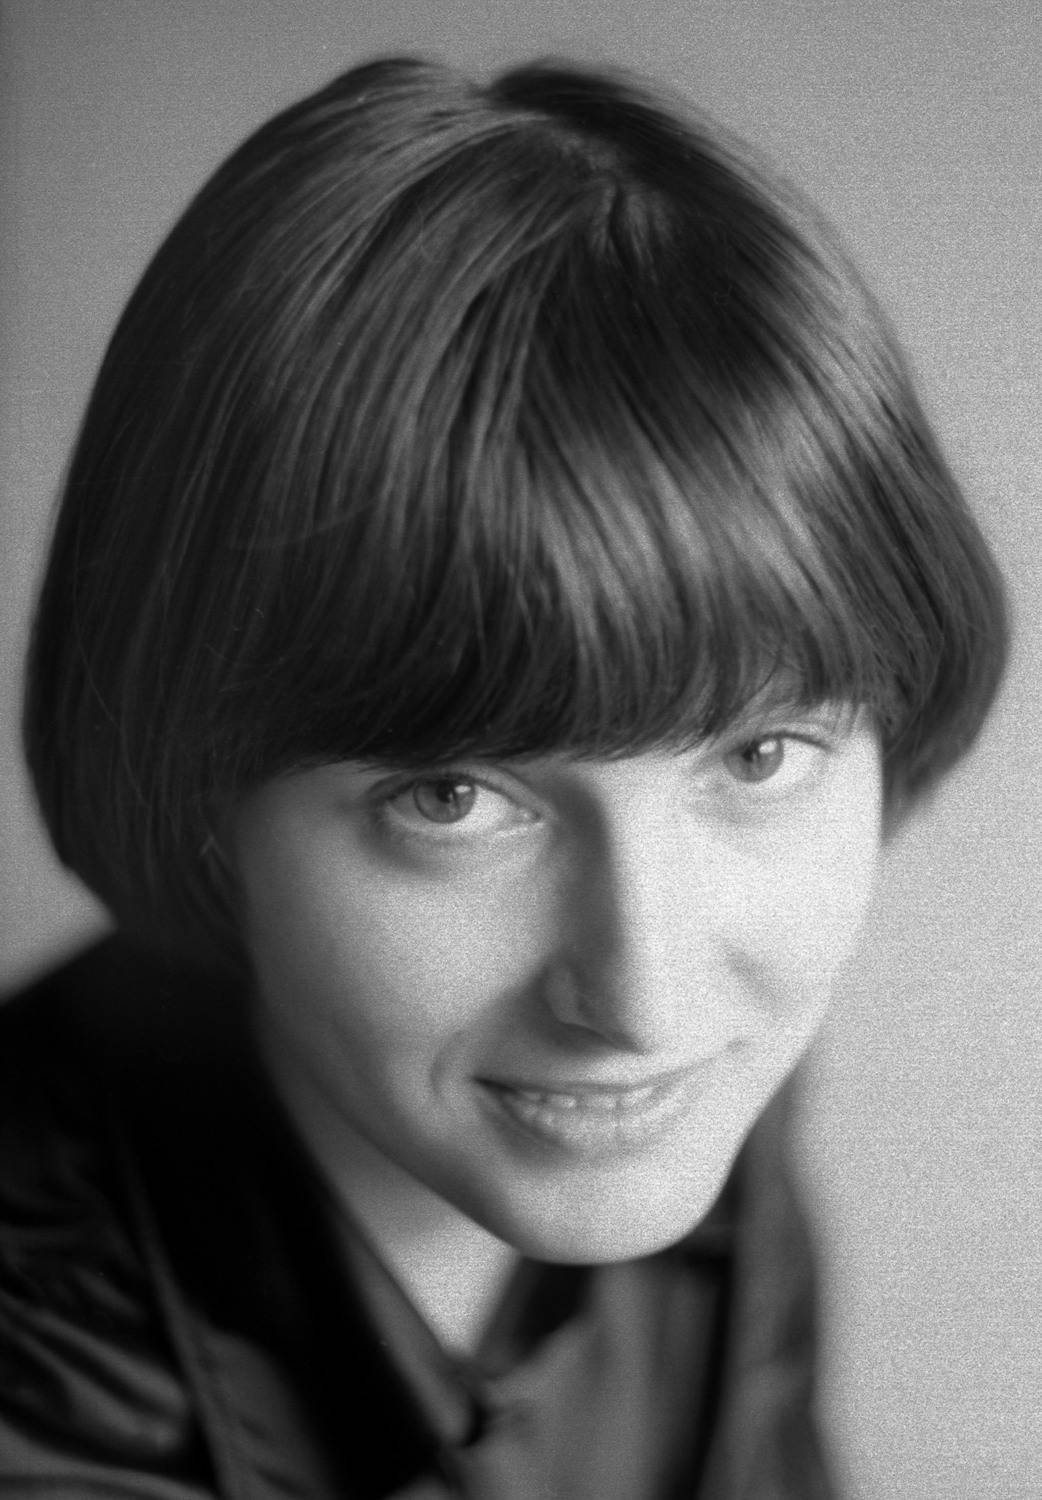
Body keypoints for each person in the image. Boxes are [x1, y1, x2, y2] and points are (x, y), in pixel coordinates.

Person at [0, 55, 1006, 1499]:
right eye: (453, 798)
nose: (643, 999)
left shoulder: (665, 1101)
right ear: (199, 790)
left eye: (757, 755)